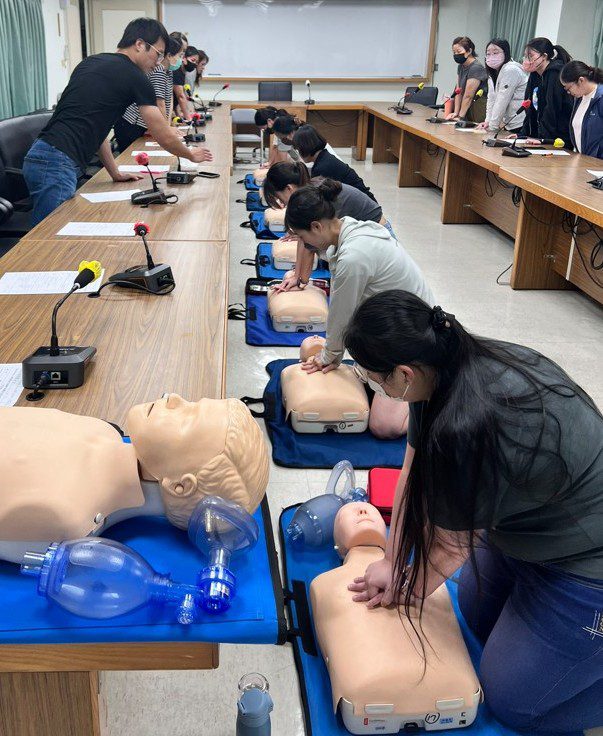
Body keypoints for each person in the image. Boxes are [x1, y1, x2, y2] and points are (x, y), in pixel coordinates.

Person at [344, 289, 603, 733]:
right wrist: (391, 558)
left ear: (403, 374)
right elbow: (411, 472)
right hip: (531, 524)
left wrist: (406, 590)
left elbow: (450, 547)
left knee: (515, 704)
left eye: (374, 380)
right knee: (476, 615)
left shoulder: (469, 423)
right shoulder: (439, 371)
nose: (377, 390)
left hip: (588, 556)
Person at [22, 18, 212, 226]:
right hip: (58, 162)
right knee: (48, 235)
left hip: (44, 154)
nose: (158, 62)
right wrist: (190, 155)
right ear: (140, 44)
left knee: (48, 232)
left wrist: (114, 172)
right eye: (158, 54)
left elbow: (98, 129)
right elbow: (163, 135)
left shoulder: (89, 62)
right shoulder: (136, 76)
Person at [283, 184, 435, 438]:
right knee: (318, 349)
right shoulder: (349, 228)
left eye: (302, 236)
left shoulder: (354, 256)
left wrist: (329, 356)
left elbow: (340, 315)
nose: (304, 243)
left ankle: (433, 394)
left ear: (316, 227)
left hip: (414, 339)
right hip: (393, 325)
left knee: (384, 426)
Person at [264, 163, 396, 291]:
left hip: (381, 237)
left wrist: (301, 281)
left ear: (289, 189)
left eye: (280, 199)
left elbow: (309, 246)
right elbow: (304, 239)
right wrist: (296, 275)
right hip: (369, 236)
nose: (282, 204)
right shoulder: (308, 191)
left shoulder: (313, 199)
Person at [114, 32, 184, 152]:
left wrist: (167, 127)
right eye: (179, 55)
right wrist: (165, 130)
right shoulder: (159, 71)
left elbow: (169, 100)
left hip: (143, 124)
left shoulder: (169, 71)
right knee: (132, 156)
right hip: (131, 124)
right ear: (168, 55)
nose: (180, 60)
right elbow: (159, 103)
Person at [293, 124, 376, 201]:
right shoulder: (324, 157)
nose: (299, 153)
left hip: (362, 207)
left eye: (298, 149)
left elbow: (318, 202)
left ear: (305, 147)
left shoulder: (322, 168)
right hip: (366, 202)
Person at [518, 37, 573, 143]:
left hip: (557, 137)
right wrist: (523, 134)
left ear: (544, 56)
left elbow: (552, 108)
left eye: (531, 56)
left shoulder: (555, 73)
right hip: (540, 136)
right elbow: (529, 105)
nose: (527, 59)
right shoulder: (535, 74)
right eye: (525, 56)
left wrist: (543, 139)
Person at [476, 38, 528, 133]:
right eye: (488, 53)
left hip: (520, 122)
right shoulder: (493, 72)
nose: (491, 56)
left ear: (506, 53)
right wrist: (487, 121)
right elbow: (491, 98)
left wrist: (492, 126)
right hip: (509, 123)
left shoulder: (511, 70)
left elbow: (502, 100)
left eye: (495, 53)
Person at [560, 60, 603, 159]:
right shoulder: (579, 98)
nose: (568, 92)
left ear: (581, 80)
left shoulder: (601, 98)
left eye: (568, 88)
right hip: (585, 159)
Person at [445, 36, 488, 123]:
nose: (456, 54)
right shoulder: (461, 66)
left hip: (477, 110)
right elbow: (458, 91)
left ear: (469, 51)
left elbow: (468, 96)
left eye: (459, 51)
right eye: (454, 52)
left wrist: (460, 117)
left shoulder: (476, 68)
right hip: (465, 109)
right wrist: (456, 113)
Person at [173, 41, 197, 119]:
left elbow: (175, 98)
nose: (195, 64)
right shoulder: (176, 71)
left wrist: (178, 115)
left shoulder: (183, 72)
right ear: (184, 58)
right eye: (193, 60)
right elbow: (180, 96)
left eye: (196, 62)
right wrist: (188, 119)